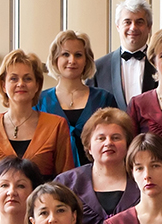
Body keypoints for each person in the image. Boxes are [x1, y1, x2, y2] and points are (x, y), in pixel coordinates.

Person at [0, 49, 76, 178]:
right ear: (3, 85)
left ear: (37, 85)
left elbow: (66, 180)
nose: (21, 84)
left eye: (27, 78)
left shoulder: (56, 126)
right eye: (14, 78)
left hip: (43, 198)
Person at [54, 108, 139, 224]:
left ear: (128, 145)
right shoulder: (66, 183)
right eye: (101, 138)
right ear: (89, 146)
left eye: (116, 137)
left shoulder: (141, 180)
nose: (108, 143)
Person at [36, 30, 122, 165]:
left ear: (87, 60)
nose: (72, 60)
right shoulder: (39, 101)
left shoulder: (104, 99)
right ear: (55, 59)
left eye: (78, 55)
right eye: (65, 54)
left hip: (96, 177)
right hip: (51, 180)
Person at [95, 0, 158, 108]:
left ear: (149, 27)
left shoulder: (161, 64)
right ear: (118, 26)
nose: (133, 28)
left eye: (139, 22)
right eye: (127, 22)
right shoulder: (99, 68)